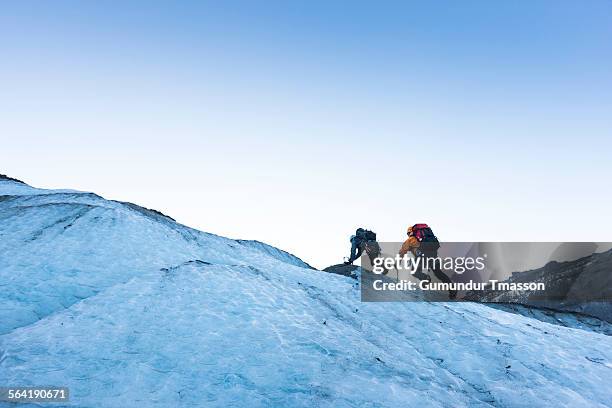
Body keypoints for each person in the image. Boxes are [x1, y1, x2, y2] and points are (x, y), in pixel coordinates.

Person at [399, 224, 456, 299]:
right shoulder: (426, 237)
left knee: (414, 271)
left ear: (410, 232)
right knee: (438, 273)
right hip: (433, 255)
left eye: (408, 234)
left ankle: (426, 279)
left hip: (423, 256)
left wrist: (399, 260)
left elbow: (403, 250)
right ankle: (452, 289)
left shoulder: (411, 239)